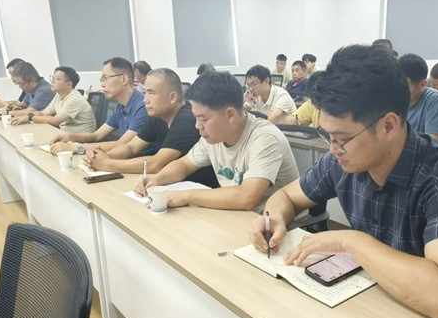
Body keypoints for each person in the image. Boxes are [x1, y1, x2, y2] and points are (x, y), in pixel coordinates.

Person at [249, 44, 438, 318]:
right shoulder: (341, 160)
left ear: (388, 126)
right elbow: (287, 197)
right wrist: (273, 218)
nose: (333, 149)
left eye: (342, 139)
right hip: (376, 298)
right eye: (328, 136)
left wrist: (350, 241)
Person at [134, 71, 299, 212]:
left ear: (230, 115)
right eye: (196, 118)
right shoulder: (215, 136)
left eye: (203, 119)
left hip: (275, 224)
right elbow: (184, 165)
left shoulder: (265, 138)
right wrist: (156, 179)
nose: (197, 126)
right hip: (235, 216)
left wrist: (186, 195)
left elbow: (247, 197)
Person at [82, 68, 217, 186]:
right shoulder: (157, 116)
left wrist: (107, 164)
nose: (145, 99)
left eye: (151, 93)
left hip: (195, 189)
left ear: (172, 97)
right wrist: (100, 157)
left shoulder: (187, 120)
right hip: (168, 185)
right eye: (145, 92)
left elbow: (156, 164)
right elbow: (131, 147)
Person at [49, 57, 147, 155]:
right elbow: (97, 135)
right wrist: (69, 137)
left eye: (105, 78)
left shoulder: (143, 106)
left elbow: (122, 144)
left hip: (137, 162)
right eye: (102, 79)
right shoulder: (120, 106)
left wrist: (75, 148)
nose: (102, 84)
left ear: (124, 79)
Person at [11, 66, 96, 133]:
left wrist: (30, 118)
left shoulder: (74, 99)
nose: (53, 81)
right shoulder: (59, 95)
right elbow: (43, 113)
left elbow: (55, 120)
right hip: (65, 133)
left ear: (69, 84)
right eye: (53, 78)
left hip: (80, 138)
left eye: (57, 79)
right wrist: (26, 117)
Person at [399, 54, 438, 144]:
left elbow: (433, 144)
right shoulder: (393, 97)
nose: (398, 90)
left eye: (405, 86)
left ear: (423, 84)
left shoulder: (435, 99)